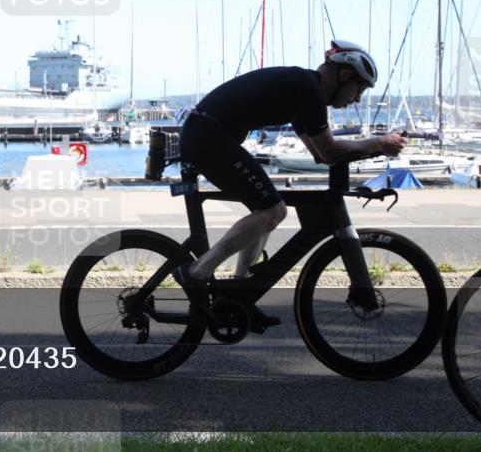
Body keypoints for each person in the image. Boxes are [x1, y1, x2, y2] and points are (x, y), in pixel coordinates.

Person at [174, 40, 406, 332]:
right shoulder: (307, 89)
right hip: (208, 137)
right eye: (359, 89)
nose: (358, 99)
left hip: (207, 134)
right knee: (273, 211)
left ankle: (239, 292)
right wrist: (378, 143)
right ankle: (196, 272)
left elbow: (321, 155)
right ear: (344, 76)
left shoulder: (303, 91)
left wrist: (372, 149)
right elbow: (329, 150)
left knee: (266, 209)